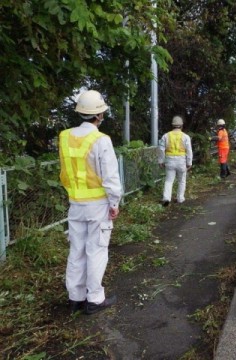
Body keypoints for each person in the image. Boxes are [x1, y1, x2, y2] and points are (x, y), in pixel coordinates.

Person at [59, 90, 122, 315]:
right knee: (96, 250)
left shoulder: (64, 137)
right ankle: (94, 299)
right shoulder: (101, 140)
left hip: (75, 204)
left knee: (76, 250)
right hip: (98, 206)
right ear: (100, 115)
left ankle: (75, 297)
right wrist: (114, 203)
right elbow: (111, 177)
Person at [158, 115, 193, 206]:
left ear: (172, 125)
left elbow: (161, 149)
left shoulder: (166, 136)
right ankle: (180, 198)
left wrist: (161, 161)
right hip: (181, 161)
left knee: (169, 181)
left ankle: (166, 198)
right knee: (181, 180)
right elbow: (189, 150)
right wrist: (189, 163)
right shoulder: (185, 136)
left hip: (169, 161)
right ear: (181, 126)